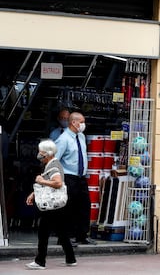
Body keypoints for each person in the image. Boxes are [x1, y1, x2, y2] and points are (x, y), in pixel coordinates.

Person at [25, 139, 76, 269]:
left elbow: (57, 183)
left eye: (41, 152)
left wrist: (41, 181)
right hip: (57, 205)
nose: (39, 155)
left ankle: (40, 261)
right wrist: (34, 193)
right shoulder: (51, 164)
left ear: (47, 153)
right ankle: (70, 258)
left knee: (43, 233)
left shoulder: (53, 166)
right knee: (61, 232)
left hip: (52, 206)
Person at [55, 112, 95, 245]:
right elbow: (55, 159)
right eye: (82, 122)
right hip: (68, 177)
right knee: (68, 208)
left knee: (84, 206)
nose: (84, 125)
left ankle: (81, 235)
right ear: (74, 122)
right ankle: (65, 237)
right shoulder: (63, 139)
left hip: (81, 177)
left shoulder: (81, 136)